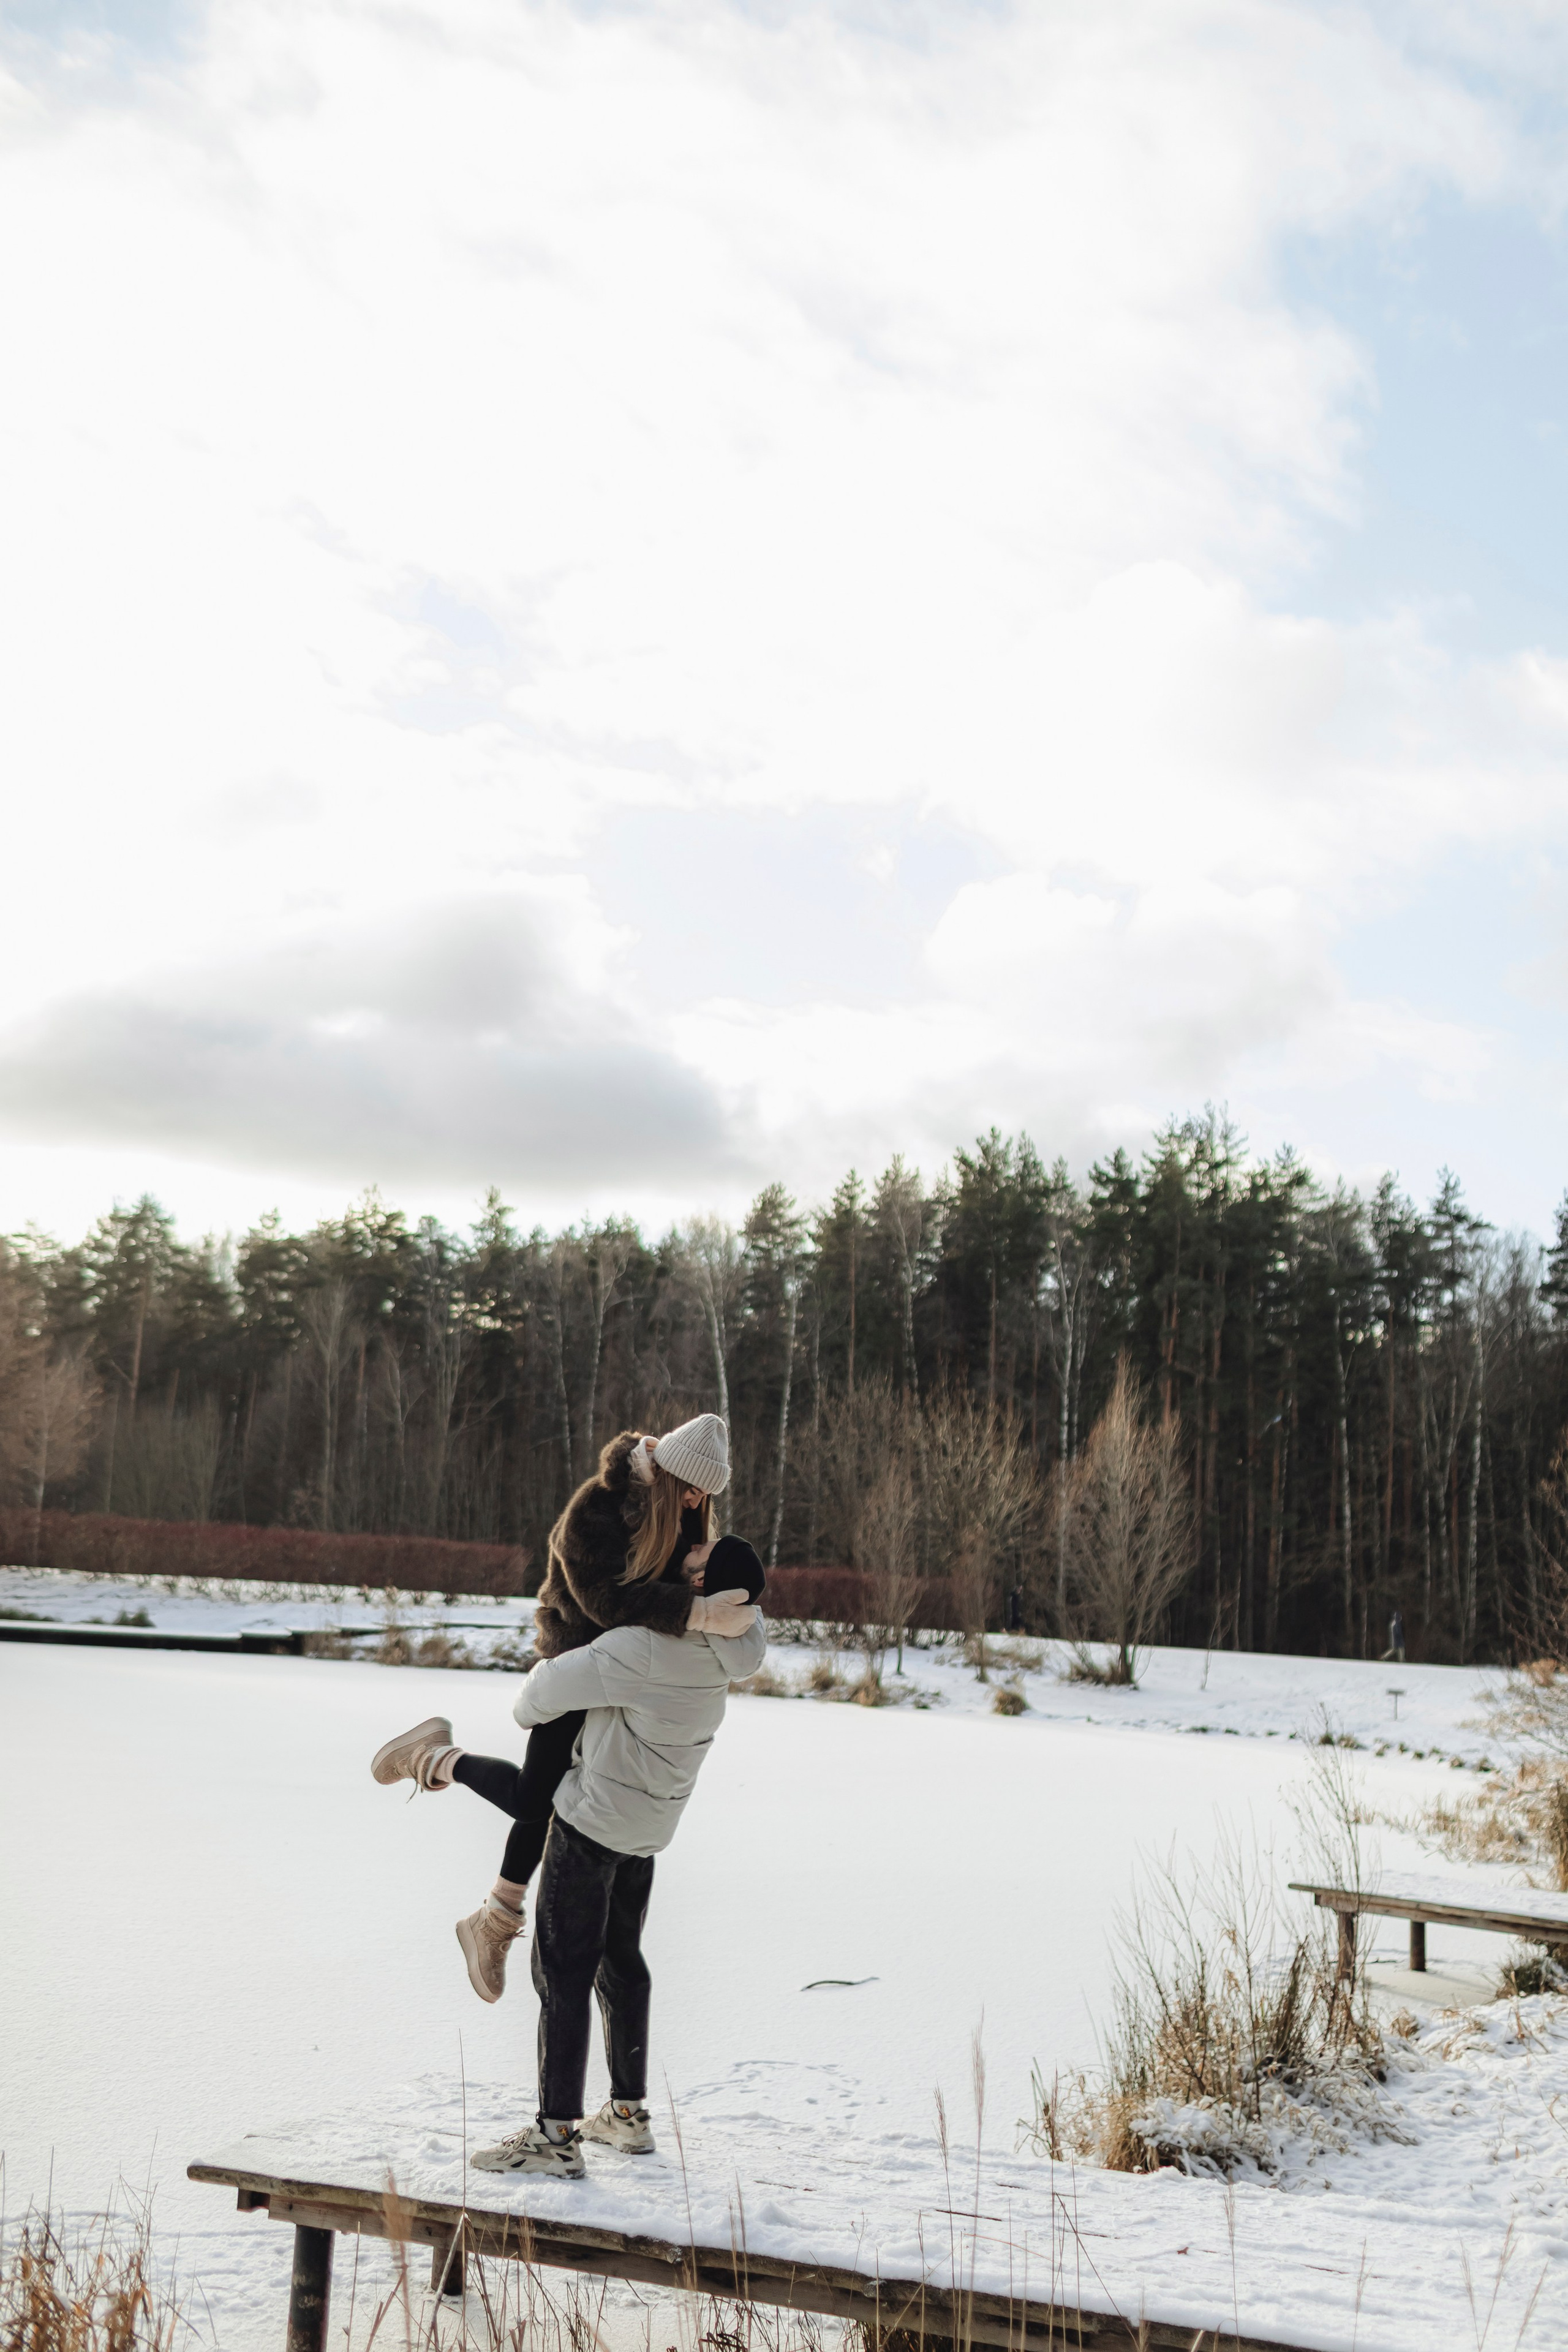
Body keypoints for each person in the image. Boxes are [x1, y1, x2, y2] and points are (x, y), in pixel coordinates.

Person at [371, 1415, 754, 2009]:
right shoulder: (597, 1508)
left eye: (706, 1495)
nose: (697, 1502)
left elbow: (698, 1591)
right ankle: (434, 1756)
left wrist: (729, 1604)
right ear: (670, 1472)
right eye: (691, 1489)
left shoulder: (681, 1519)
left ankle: (495, 1917)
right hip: (575, 1664)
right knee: (533, 1799)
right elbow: (605, 1602)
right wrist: (699, 1615)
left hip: (630, 1679)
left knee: (570, 1806)